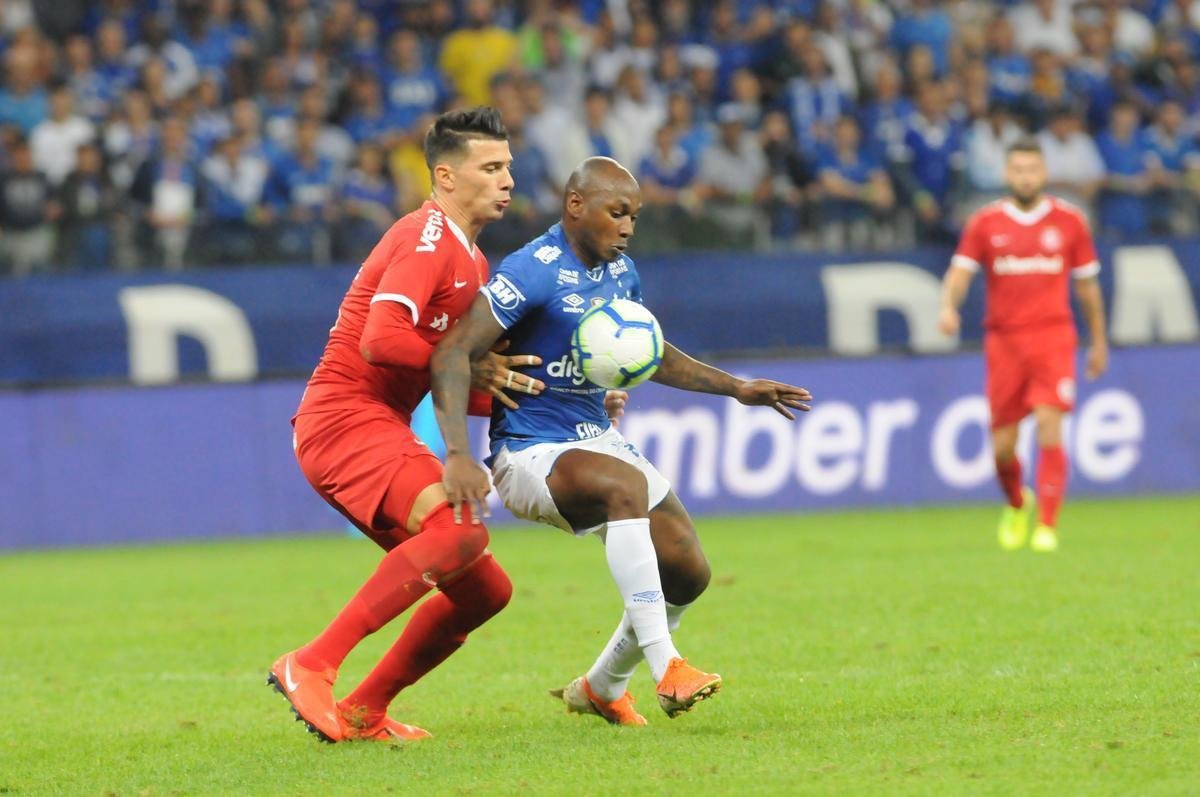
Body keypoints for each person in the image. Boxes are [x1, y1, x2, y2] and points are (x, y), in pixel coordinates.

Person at [430, 157, 813, 725]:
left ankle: (602, 687)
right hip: (530, 449)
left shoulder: (621, 272)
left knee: (687, 570)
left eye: (634, 216)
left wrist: (736, 388)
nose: (628, 227)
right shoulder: (533, 269)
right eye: (617, 213)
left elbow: (647, 351)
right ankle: (668, 668)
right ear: (576, 205)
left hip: (595, 436)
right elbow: (453, 351)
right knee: (625, 488)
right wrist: (459, 454)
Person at [268, 107, 544, 744]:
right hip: (344, 418)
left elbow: (456, 378)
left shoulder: (473, 261)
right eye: (491, 168)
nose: (508, 181)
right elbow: (382, 339)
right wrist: (468, 366)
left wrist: (552, 402)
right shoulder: (427, 237)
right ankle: (311, 663)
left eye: (508, 167)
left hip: (368, 422)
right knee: (461, 530)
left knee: (485, 591)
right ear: (445, 177)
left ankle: (364, 711)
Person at [938, 138, 1108, 553]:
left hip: (1053, 336)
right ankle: (1017, 503)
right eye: (1018, 170)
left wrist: (1099, 341)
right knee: (1002, 447)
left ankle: (1047, 525)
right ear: (1006, 174)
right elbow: (960, 273)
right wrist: (949, 307)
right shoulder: (985, 222)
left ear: (1044, 173)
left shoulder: (1070, 221)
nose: (1026, 177)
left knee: (1050, 425)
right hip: (1004, 342)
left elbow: (1087, 287)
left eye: (1032, 169)